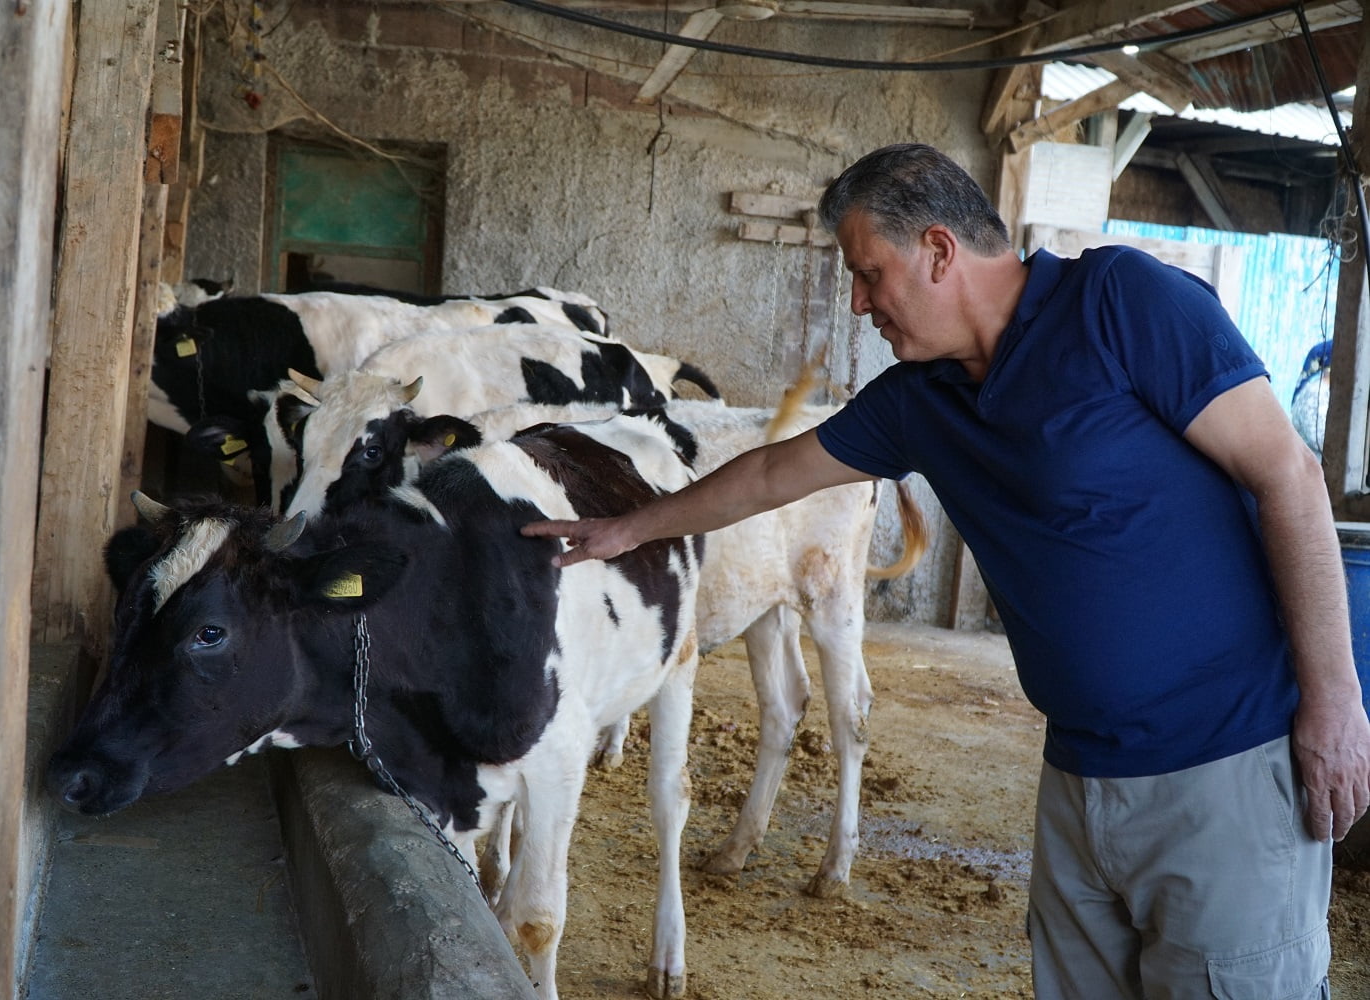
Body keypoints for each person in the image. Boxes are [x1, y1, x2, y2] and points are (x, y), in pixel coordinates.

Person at [521, 142, 1370, 999]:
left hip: (1224, 772)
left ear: (936, 249)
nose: (859, 304)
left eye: (868, 274)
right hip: (1078, 785)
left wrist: (1335, 703)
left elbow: (1288, 476)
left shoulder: (1121, 300)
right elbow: (772, 475)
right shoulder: (919, 401)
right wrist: (626, 528)